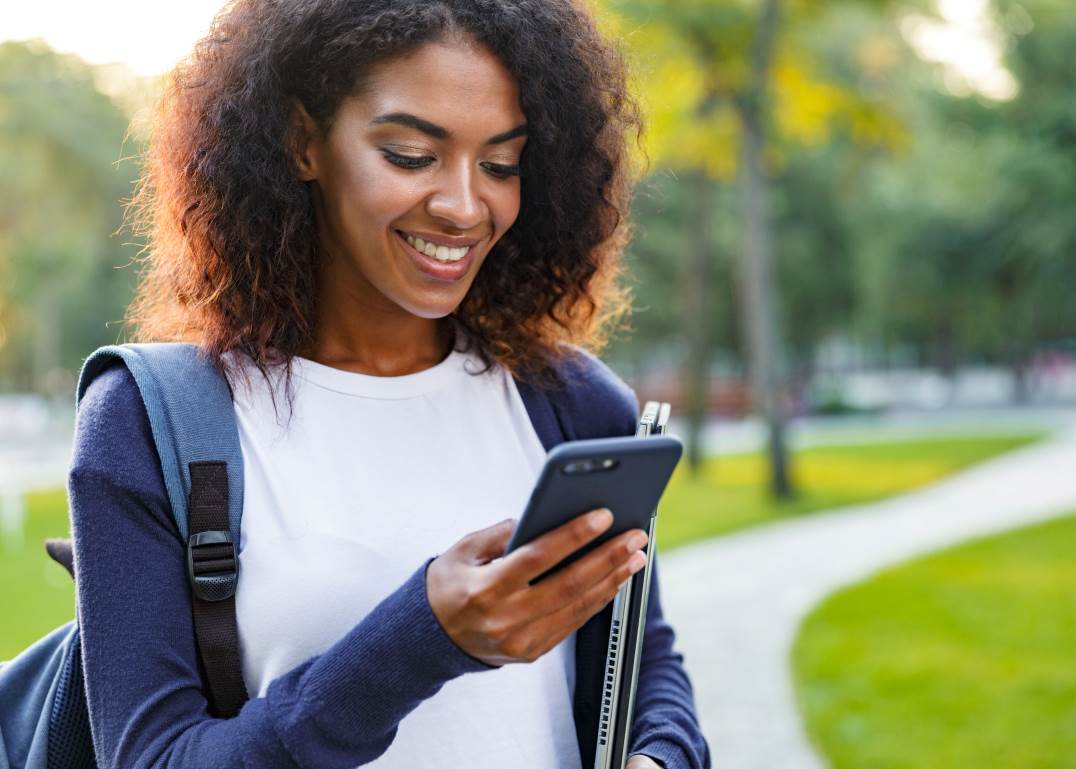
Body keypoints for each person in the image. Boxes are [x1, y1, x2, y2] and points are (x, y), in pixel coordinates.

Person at [69, 1, 710, 767]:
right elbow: (153, 756)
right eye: (410, 154)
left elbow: (646, 669)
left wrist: (657, 758)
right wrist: (427, 636)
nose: (466, 206)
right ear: (302, 140)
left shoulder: (571, 404)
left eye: (502, 164)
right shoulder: (153, 422)